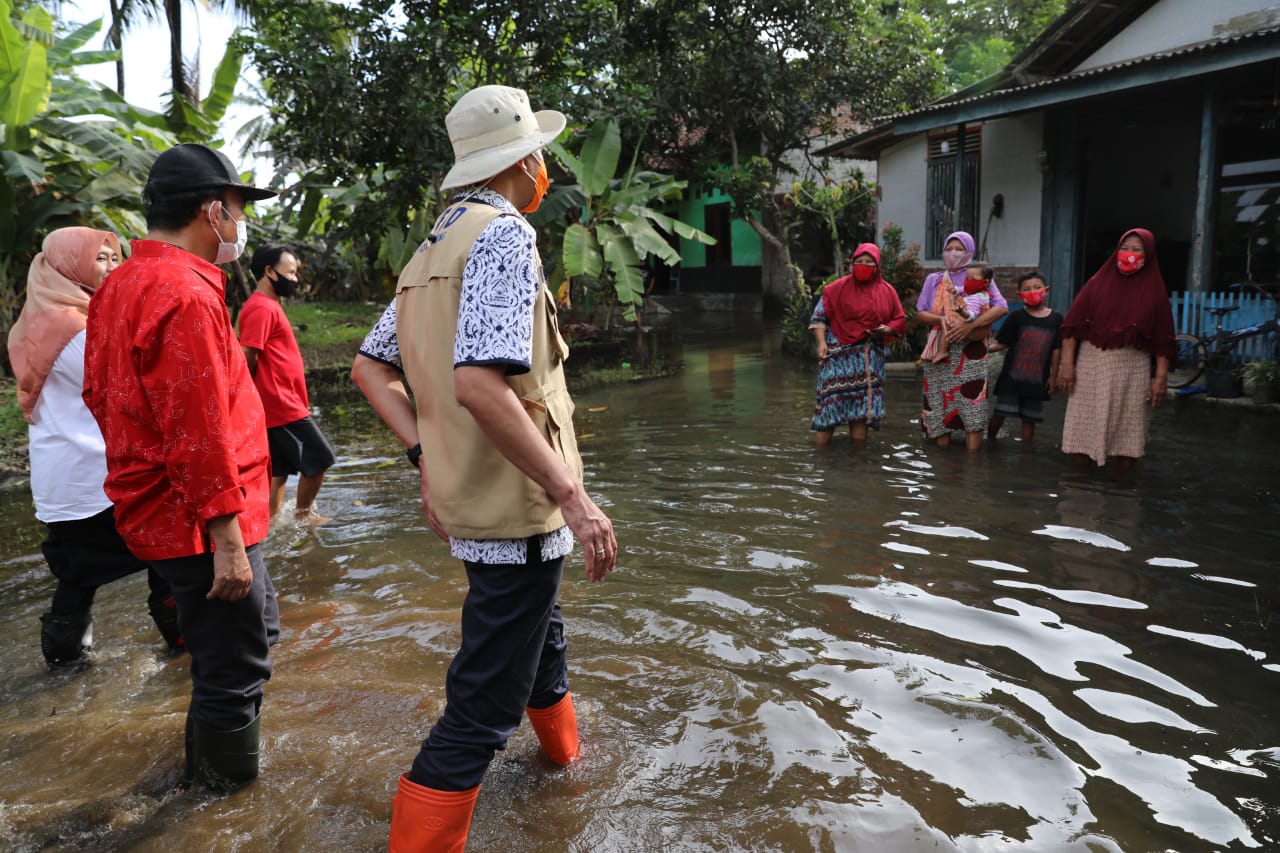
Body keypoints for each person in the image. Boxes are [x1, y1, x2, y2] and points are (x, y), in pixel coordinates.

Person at [386, 84, 617, 852]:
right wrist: (574, 497)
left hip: (478, 505)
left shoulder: (427, 252)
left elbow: (368, 367)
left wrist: (427, 457)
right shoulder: (505, 237)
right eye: (542, 154)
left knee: (541, 647)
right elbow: (480, 383)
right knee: (481, 709)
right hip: (516, 509)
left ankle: (564, 773)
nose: (546, 167)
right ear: (527, 160)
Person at [82, 143, 280, 793]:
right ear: (211, 210)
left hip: (168, 510)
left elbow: (100, 393)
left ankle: (196, 780)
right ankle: (222, 811)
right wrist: (226, 540)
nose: (240, 225)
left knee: (241, 643)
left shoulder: (120, 285)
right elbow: (195, 428)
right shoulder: (183, 293)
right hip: (200, 519)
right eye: (239, 210)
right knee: (234, 670)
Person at [7, 228, 182, 671]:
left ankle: (65, 667)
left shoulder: (37, 320)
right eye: (100, 259)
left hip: (61, 472)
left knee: (78, 571)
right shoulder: (74, 326)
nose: (112, 267)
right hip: (93, 471)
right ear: (70, 266)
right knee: (166, 544)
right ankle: (183, 646)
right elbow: (127, 389)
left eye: (114, 257)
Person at [1057, 228, 1176, 469]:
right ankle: (1081, 491)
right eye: (1124, 248)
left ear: (1148, 255)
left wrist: (1160, 378)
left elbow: (1163, 340)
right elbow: (1072, 327)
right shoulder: (1096, 284)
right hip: (1091, 364)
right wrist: (1067, 365)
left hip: (1133, 368)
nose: (1129, 254)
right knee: (1082, 432)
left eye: (1136, 250)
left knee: (1128, 436)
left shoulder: (1155, 293)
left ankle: (1120, 494)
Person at [239, 246, 336, 524]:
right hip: (280, 404)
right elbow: (247, 355)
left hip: (281, 402)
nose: (294, 279)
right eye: (290, 272)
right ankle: (304, 518)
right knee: (319, 461)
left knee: (278, 473)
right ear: (269, 271)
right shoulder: (260, 307)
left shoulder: (269, 305)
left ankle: (267, 524)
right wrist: (256, 397)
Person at [915, 231, 1008, 450]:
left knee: (971, 406)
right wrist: (942, 319)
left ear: (970, 252)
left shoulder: (978, 276)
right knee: (939, 406)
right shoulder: (934, 280)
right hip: (939, 347)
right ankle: (942, 461)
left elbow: (1001, 307)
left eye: (959, 249)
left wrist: (970, 324)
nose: (953, 253)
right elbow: (920, 312)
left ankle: (972, 464)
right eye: (949, 248)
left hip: (971, 351)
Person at [808, 243, 907, 448]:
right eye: (858, 262)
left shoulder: (886, 291)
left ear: (877, 266)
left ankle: (859, 463)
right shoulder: (836, 289)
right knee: (829, 406)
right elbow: (819, 318)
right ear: (851, 264)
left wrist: (886, 330)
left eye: (868, 262)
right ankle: (820, 456)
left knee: (861, 414)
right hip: (837, 356)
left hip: (868, 360)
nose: (863, 265)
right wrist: (821, 343)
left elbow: (899, 319)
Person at [987, 271, 1064, 441]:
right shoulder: (1016, 317)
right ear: (1020, 295)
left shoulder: (1056, 318)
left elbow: (1057, 349)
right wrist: (982, 350)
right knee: (1000, 413)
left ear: (1046, 290)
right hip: (1011, 378)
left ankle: (1026, 452)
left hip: (1037, 380)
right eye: (1027, 289)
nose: (1032, 291)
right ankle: (988, 443)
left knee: (1030, 419)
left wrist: (1054, 376)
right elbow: (1003, 343)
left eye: (1037, 287)